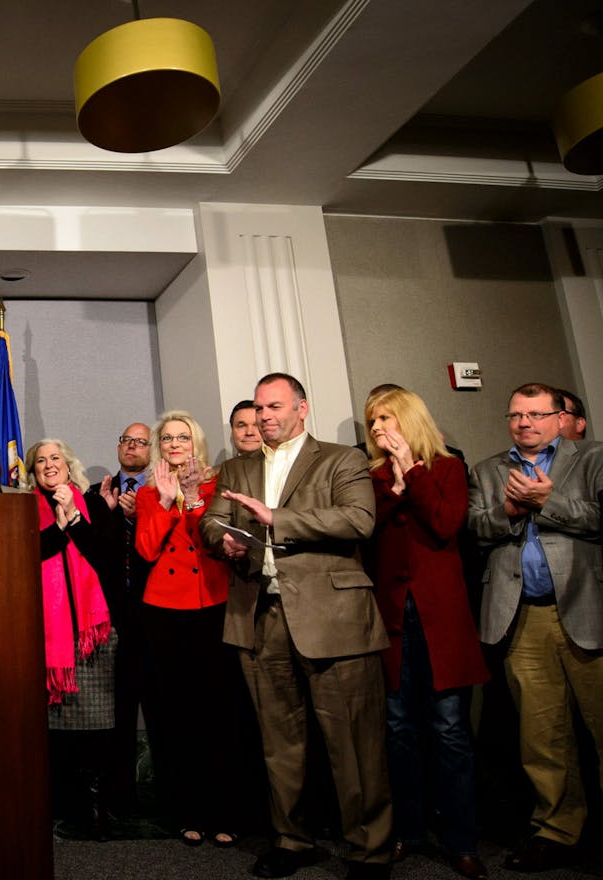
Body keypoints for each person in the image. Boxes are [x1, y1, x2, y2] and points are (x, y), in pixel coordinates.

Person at [202, 372, 391, 880]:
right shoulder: (236, 467)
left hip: (335, 620)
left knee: (354, 743)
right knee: (278, 741)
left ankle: (369, 850)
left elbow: (358, 520)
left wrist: (274, 519)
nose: (264, 416)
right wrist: (226, 542)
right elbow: (211, 521)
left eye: (274, 406)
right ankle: (292, 840)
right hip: (259, 617)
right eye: (259, 408)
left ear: (302, 409)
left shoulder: (341, 459)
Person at [467, 382, 603, 872]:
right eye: (515, 415)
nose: (524, 423)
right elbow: (474, 527)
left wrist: (548, 501)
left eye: (535, 414)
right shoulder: (488, 470)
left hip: (587, 609)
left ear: (558, 417)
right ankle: (557, 830)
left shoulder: (592, 459)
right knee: (541, 735)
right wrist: (506, 511)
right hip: (521, 615)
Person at [363, 387, 489, 879]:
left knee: (451, 730)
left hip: (442, 620)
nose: (376, 428)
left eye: (385, 418)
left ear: (409, 418)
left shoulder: (448, 468)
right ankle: (408, 832)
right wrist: (391, 486)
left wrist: (412, 471)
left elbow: (444, 523)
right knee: (397, 731)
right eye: (372, 421)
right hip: (392, 618)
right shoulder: (370, 477)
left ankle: (461, 841)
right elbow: (368, 533)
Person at [134, 410, 242, 848]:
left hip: (214, 603)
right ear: (159, 448)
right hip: (165, 608)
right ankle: (187, 811)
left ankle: (226, 811)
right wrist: (163, 502)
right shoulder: (147, 493)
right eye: (167, 439)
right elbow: (145, 549)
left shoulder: (219, 486)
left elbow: (215, 544)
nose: (175, 444)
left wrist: (195, 499)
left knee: (220, 710)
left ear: (195, 443)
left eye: (183, 437)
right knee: (177, 714)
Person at [23, 438, 118, 841]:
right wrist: (59, 524)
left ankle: (94, 811)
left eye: (55, 458)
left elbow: (106, 557)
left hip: (90, 635)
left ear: (68, 464)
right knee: (52, 728)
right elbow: (28, 554)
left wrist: (74, 517)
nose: (48, 465)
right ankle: (60, 807)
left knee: (94, 724)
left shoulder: (93, 503)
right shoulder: (25, 509)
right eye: (40, 461)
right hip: (45, 636)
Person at [85, 421, 158, 819]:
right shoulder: (98, 493)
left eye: (140, 442)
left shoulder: (163, 490)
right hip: (114, 616)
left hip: (157, 612)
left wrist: (140, 514)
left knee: (161, 703)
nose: (131, 447)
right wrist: (111, 514)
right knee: (118, 708)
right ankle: (118, 798)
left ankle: (170, 797)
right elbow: (90, 550)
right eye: (126, 440)